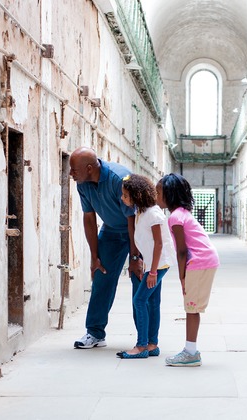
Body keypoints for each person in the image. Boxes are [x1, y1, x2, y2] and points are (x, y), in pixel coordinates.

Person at [69, 147, 143, 349]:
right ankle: (95, 333)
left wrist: (135, 258)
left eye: (74, 170)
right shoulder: (83, 184)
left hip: (137, 231)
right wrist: (95, 256)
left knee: (140, 281)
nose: (70, 174)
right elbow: (89, 218)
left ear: (90, 168)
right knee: (101, 278)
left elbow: (133, 220)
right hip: (111, 232)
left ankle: (145, 339)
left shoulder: (119, 180)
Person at [156, 173, 219, 367]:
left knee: (191, 308)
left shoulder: (175, 218)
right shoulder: (182, 213)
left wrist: (182, 277)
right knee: (192, 307)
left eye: (158, 192)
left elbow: (182, 251)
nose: (156, 196)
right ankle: (190, 350)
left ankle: (191, 353)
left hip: (199, 262)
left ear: (169, 194)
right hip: (204, 260)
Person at [116, 174, 175, 359]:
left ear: (137, 195)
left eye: (125, 195)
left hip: (159, 264)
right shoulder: (140, 212)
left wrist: (153, 272)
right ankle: (152, 345)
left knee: (139, 301)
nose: (122, 198)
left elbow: (158, 244)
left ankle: (141, 346)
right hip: (154, 263)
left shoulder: (153, 213)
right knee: (152, 302)